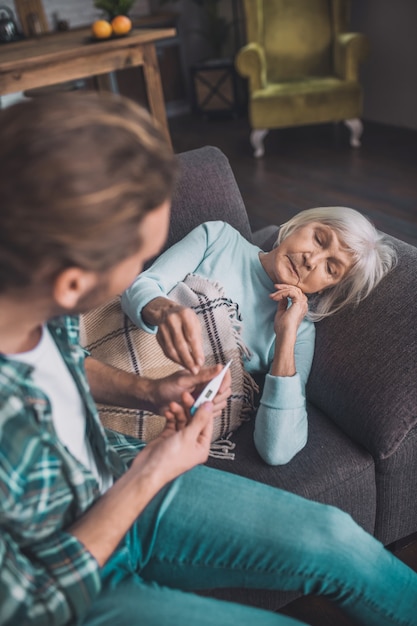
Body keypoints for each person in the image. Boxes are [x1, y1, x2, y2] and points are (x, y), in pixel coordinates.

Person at [0, 91, 415, 626]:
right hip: (77, 570)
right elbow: (29, 606)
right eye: (131, 255)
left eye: (332, 265)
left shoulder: (40, 309)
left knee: (337, 538)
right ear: (73, 284)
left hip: (116, 475)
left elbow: (62, 366)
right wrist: (151, 472)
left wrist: (150, 392)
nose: (315, 257)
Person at [122, 210, 397, 464]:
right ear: (300, 224)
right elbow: (143, 285)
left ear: (328, 289)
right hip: (122, 359)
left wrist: (286, 337)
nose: (311, 260)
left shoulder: (299, 332)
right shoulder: (218, 238)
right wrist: (165, 311)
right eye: (318, 239)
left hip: (158, 421)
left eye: (330, 268)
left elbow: (277, 450)